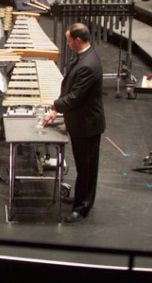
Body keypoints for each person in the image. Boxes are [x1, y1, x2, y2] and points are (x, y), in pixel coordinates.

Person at [43, 22, 105, 224]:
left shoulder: (88, 64)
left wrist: (54, 103)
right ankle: (81, 199)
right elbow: (70, 89)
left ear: (78, 40)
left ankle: (82, 207)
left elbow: (76, 97)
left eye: (69, 39)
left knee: (86, 168)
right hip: (80, 122)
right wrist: (55, 110)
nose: (67, 43)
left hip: (87, 125)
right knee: (82, 166)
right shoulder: (83, 57)